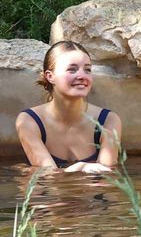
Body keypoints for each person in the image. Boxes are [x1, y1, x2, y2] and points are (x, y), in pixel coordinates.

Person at [17, 40, 123, 174]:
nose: (82, 76)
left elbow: (107, 178)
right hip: (49, 195)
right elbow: (47, 177)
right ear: (50, 76)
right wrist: (80, 168)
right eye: (72, 70)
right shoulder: (28, 121)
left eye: (87, 70)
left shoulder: (109, 121)